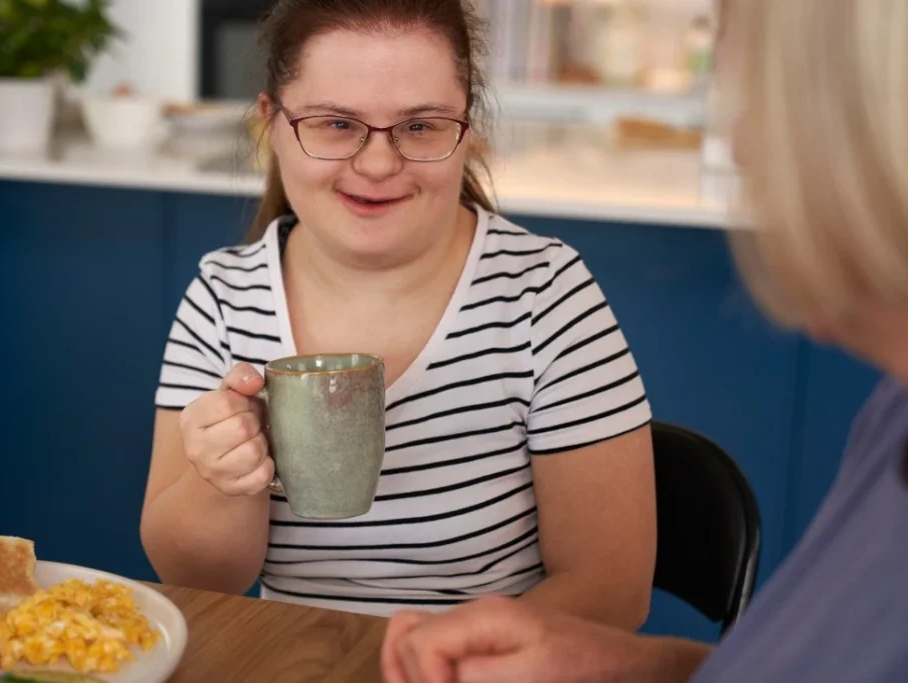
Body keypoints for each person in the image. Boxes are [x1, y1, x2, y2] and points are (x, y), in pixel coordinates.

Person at [379, 0, 908, 681]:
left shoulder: (543, 285)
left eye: (778, 101)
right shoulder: (894, 414)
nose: (743, 146)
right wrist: (617, 664)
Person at [138, 0, 656, 624]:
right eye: (335, 124)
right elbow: (196, 578)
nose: (379, 164)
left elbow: (612, 592)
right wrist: (222, 480)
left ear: (467, 129)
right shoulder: (224, 294)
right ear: (271, 123)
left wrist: (432, 659)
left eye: (420, 127)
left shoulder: (544, 293)